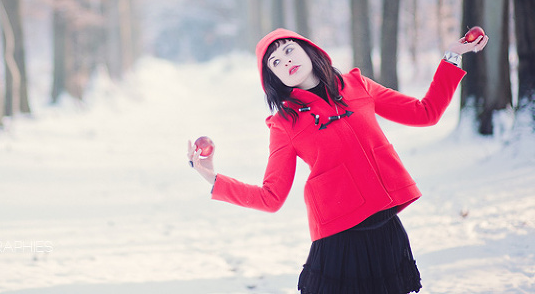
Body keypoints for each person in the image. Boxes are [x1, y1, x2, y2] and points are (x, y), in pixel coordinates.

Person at [187, 28, 488, 294]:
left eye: (289, 50)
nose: (286, 61)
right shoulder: (284, 123)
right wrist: (213, 178)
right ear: (273, 78)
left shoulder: (358, 86)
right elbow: (271, 197)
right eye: (275, 62)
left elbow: (426, 113)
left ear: (308, 50)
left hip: (386, 231)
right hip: (339, 243)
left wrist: (452, 57)